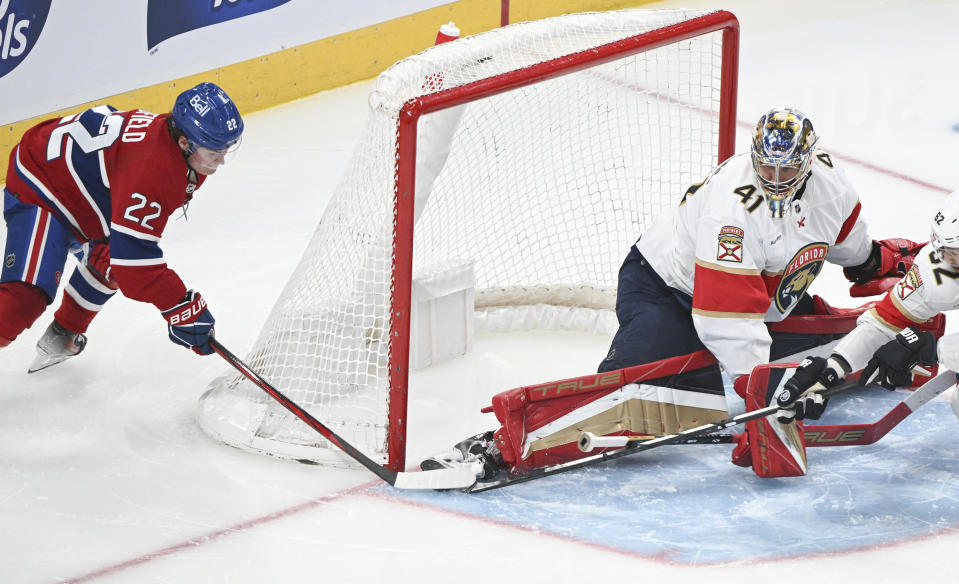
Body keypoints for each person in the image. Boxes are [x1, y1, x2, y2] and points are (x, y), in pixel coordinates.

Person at [423, 106, 925, 480]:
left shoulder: (835, 191)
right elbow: (723, 319)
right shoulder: (733, 207)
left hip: (759, 304)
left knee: (824, 349)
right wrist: (763, 397)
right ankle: (500, 446)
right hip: (667, 290)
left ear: (809, 164)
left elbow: (853, 253)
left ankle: (902, 346)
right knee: (631, 394)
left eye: (785, 171)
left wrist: (897, 268)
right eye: (765, 169)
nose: (773, 180)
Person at [0, 82, 244, 372]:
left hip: (84, 188)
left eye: (228, 149)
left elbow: (130, 256)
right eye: (214, 152)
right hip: (43, 183)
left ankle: (63, 335)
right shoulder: (155, 169)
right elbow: (135, 268)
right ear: (184, 142)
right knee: (23, 300)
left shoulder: (184, 154)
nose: (221, 160)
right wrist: (179, 307)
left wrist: (177, 307)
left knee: (112, 259)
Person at [776, 191, 959, 423]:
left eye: (955, 253)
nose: (947, 261)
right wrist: (834, 369)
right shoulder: (939, 274)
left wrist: (937, 349)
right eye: (944, 250)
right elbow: (884, 322)